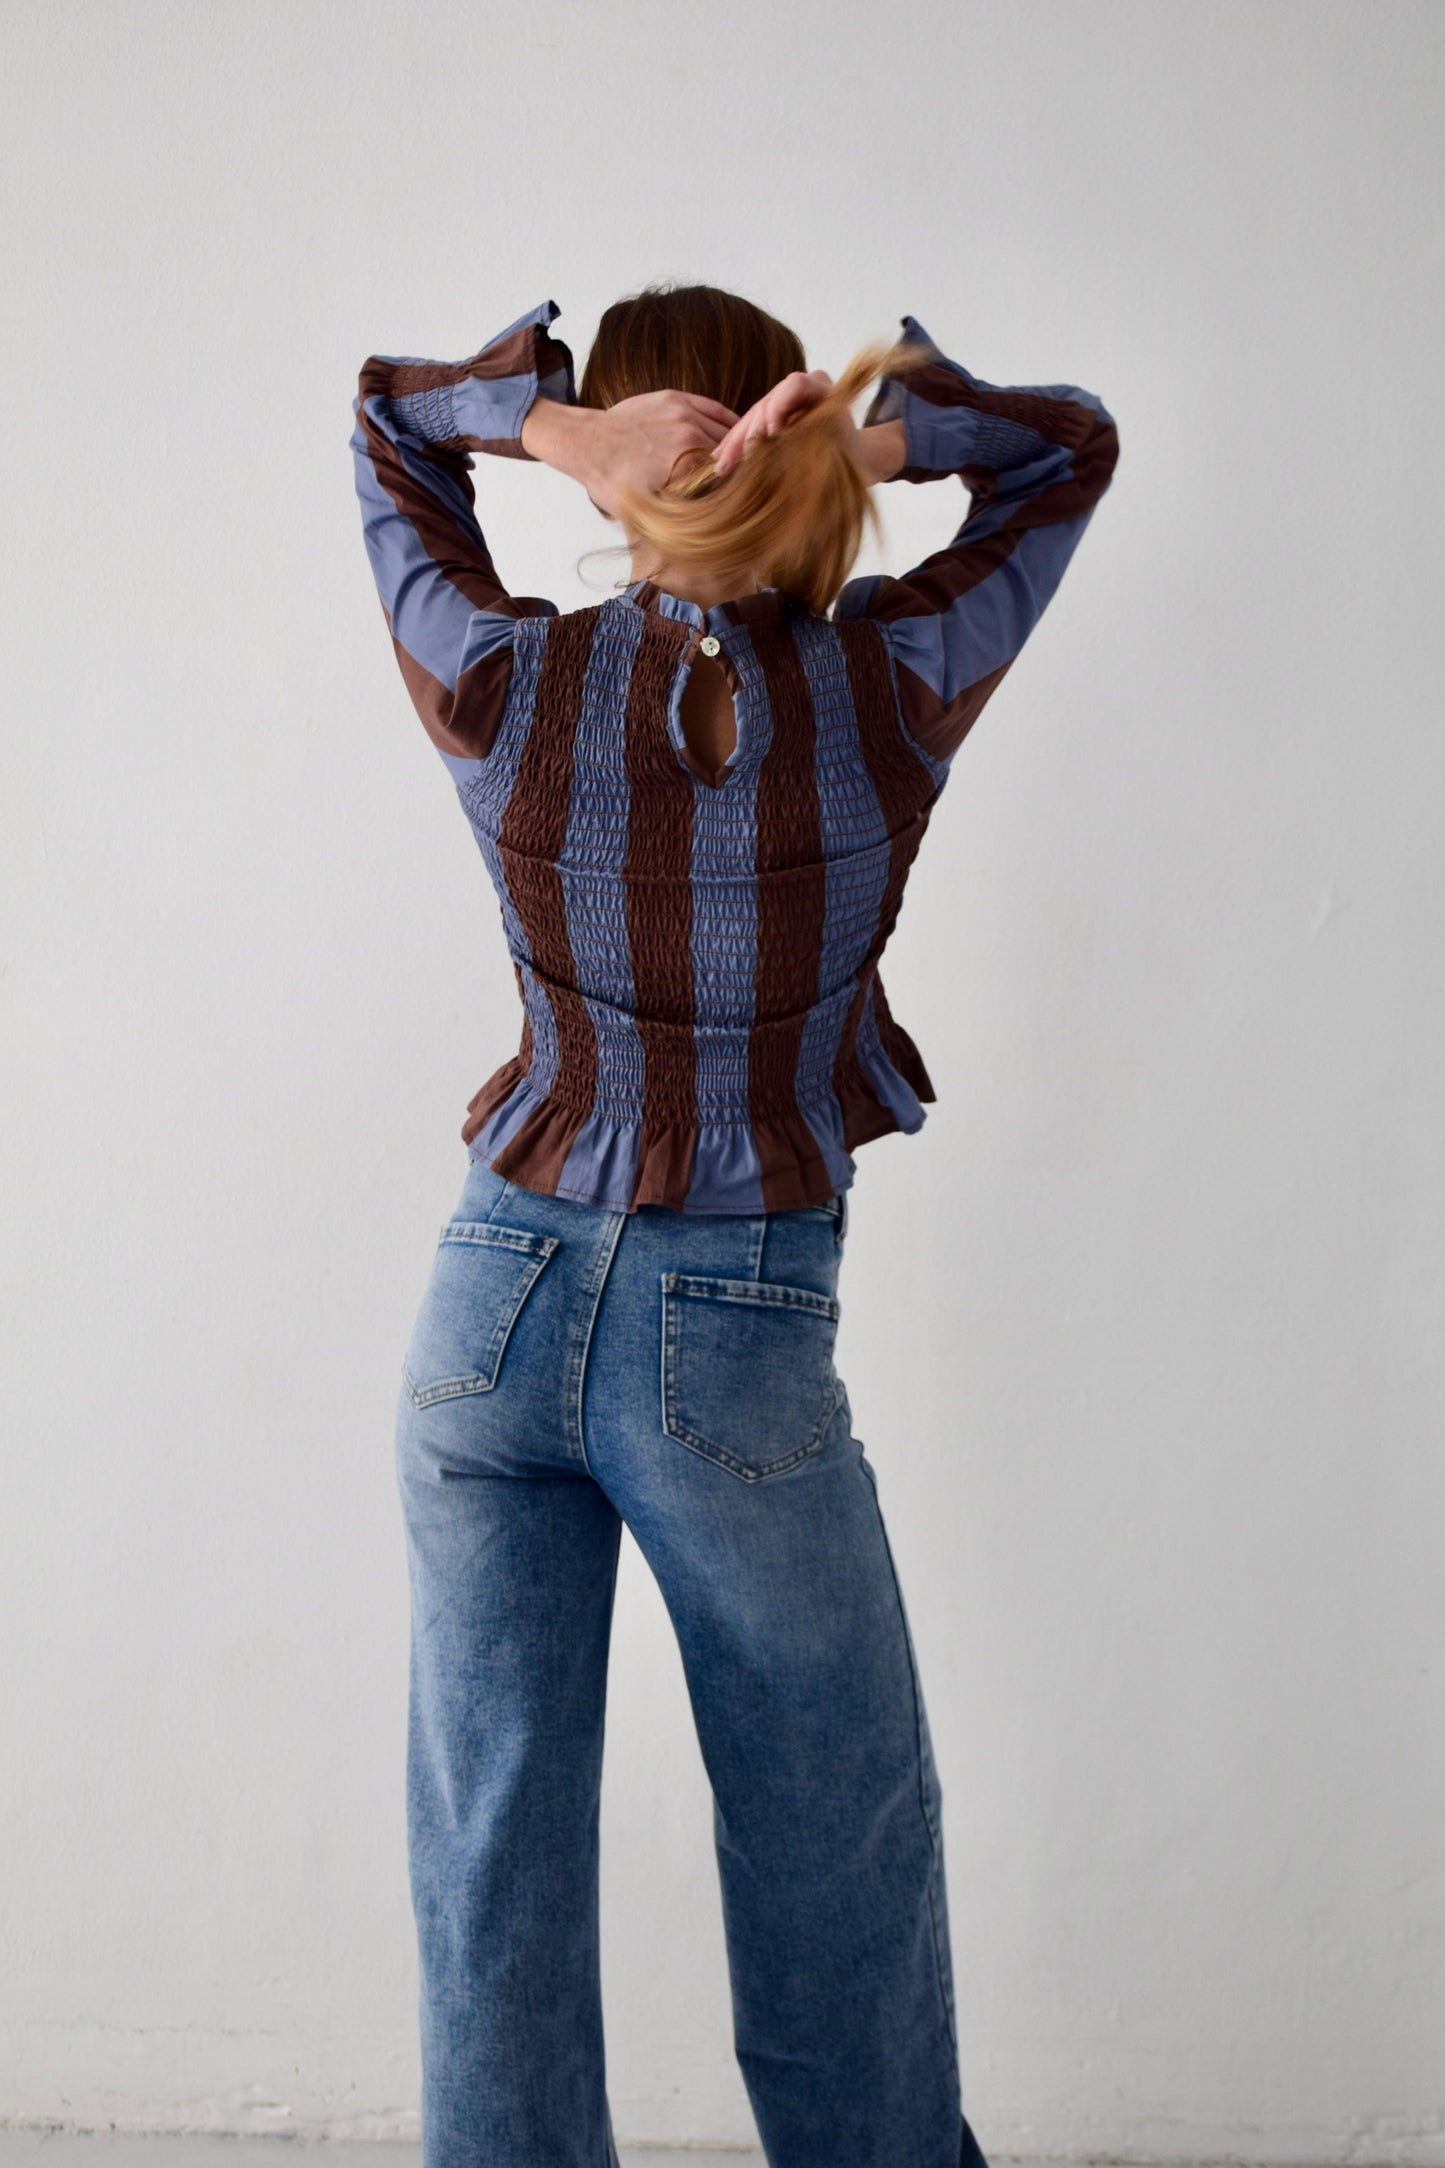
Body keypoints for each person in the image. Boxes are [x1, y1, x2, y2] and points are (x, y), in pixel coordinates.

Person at [350, 281, 1119, 2168]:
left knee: (491, 1855)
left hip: (488, 1311)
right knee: (830, 1831)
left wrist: (545, 434)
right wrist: (868, 448)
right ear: (768, 423)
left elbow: (383, 428)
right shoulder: (892, 688)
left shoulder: (497, 683)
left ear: (628, 477)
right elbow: (1070, 445)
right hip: (734, 1336)